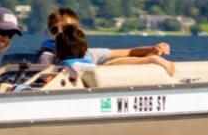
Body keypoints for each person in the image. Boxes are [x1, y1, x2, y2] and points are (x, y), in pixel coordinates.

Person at [38, 22, 177, 87]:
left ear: (57, 51)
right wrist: (150, 60)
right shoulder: (80, 67)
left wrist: (151, 50)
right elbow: (112, 65)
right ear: (85, 52)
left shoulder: (59, 67)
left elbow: (125, 54)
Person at [37, 7, 171, 66]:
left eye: (67, 29)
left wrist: (152, 49)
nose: (60, 33)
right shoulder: (47, 57)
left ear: (78, 31)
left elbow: (128, 52)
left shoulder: (90, 55)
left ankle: (151, 59)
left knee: (111, 64)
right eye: (54, 29)